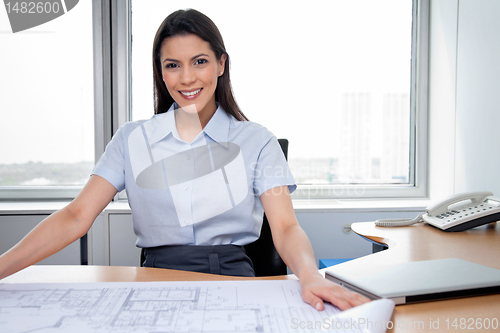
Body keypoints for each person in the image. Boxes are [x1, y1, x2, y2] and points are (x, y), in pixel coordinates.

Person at [0, 9, 369, 311]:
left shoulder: (256, 140)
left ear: (221, 65)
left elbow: (286, 228)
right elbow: (77, 216)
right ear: (160, 73)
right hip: (155, 277)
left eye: (200, 61)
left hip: (233, 278)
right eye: (172, 65)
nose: (187, 77)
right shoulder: (133, 139)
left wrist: (309, 276)